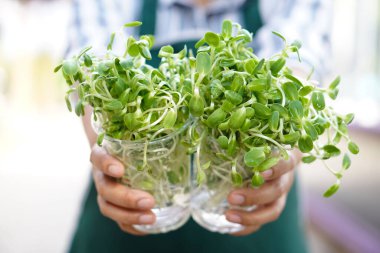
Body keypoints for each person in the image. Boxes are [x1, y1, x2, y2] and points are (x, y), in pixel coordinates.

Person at [66, 0, 332, 252]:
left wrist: (284, 144)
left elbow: (298, 67)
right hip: (127, 227)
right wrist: (108, 143)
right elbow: (93, 65)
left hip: (255, 225)